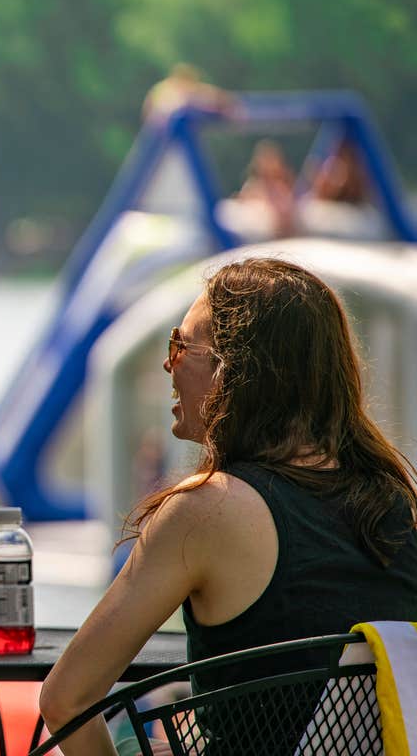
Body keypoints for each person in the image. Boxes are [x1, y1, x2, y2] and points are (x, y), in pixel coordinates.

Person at [40, 258, 417, 755]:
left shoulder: (206, 509)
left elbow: (65, 701)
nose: (166, 364)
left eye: (178, 345)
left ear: (230, 369)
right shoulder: (397, 504)